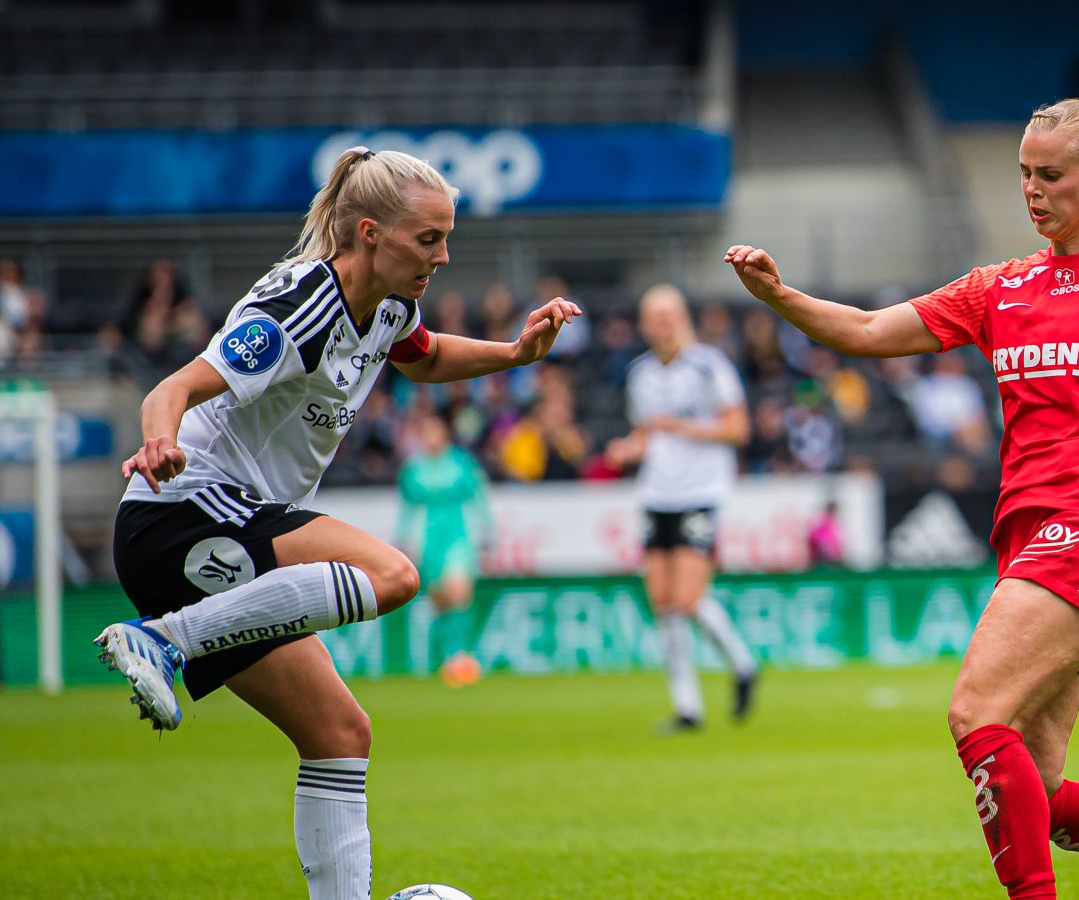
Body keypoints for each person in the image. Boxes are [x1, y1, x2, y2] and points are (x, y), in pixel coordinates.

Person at [727, 97, 1079, 899]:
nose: (1031, 189)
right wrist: (780, 296)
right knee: (1039, 798)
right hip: (1030, 538)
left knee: (976, 711)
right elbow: (870, 331)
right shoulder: (999, 287)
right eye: (1022, 173)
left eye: (1049, 175)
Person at [93, 147, 579, 900]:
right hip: (183, 513)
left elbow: (423, 356)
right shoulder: (301, 305)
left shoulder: (387, 303)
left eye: (446, 238)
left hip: (227, 524)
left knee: (340, 737)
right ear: (370, 232)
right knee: (393, 574)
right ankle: (164, 640)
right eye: (428, 239)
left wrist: (516, 352)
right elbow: (176, 385)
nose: (443, 257)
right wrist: (159, 438)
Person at [606, 284, 759, 732]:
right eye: (656, 316)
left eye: (671, 313)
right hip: (657, 493)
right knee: (663, 602)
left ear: (683, 317)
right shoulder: (641, 374)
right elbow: (647, 435)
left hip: (701, 491)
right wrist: (627, 450)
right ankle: (687, 707)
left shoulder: (709, 366)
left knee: (688, 599)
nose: (665, 322)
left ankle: (742, 663)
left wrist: (683, 427)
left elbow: (738, 428)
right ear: (645, 324)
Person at [396, 408, 493, 687]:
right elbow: (407, 509)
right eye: (425, 432)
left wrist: (487, 534)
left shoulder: (461, 463)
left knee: (459, 590)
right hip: (428, 538)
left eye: (434, 431)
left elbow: (479, 499)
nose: (431, 438)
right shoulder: (413, 469)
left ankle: (461, 656)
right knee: (440, 599)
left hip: (458, 534)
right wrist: (403, 542)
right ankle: (447, 657)